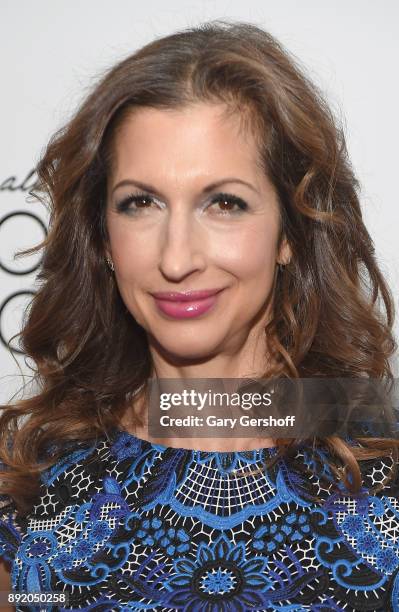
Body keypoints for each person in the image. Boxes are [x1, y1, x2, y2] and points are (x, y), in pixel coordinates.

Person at [0, 18, 398, 612]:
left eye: (225, 203)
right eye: (140, 203)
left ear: (290, 231)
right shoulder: (26, 484)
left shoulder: (383, 473)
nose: (176, 258)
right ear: (104, 238)